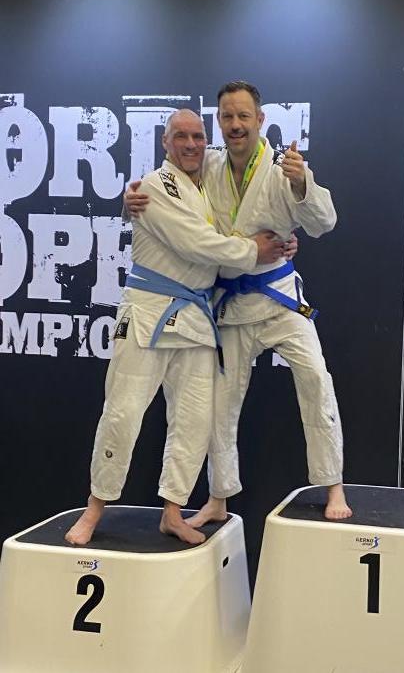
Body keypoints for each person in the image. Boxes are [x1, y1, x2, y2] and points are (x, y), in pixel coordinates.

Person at [125, 82, 352, 523]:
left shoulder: (283, 168)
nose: (235, 124)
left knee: (315, 378)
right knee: (220, 406)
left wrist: (303, 183)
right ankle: (219, 497)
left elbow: (324, 222)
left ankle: (333, 483)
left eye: (243, 116)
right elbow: (165, 189)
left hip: (280, 299)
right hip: (231, 305)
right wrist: (129, 200)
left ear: (260, 120)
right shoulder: (208, 164)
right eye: (227, 116)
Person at [65, 109, 285, 547]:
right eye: (180, 136)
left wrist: (281, 241)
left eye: (198, 136)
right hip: (149, 310)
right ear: (165, 142)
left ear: (207, 141)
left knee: (193, 420)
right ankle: (95, 506)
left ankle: (172, 511)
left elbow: (248, 209)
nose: (190, 144)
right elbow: (195, 243)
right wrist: (251, 252)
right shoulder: (152, 186)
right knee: (123, 412)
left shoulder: (212, 182)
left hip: (197, 318)